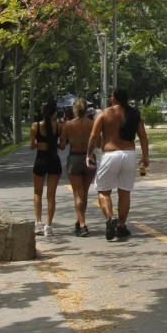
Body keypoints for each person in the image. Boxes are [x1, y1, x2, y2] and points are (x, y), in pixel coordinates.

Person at [86, 88, 150, 240]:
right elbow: (143, 137)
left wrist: (89, 154)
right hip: (129, 154)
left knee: (103, 191)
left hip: (110, 154)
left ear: (113, 98)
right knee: (124, 192)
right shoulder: (134, 114)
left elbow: (94, 136)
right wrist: (145, 156)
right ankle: (121, 226)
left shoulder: (103, 113)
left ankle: (109, 219)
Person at [62, 97, 97, 236]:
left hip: (75, 158)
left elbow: (63, 145)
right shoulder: (92, 124)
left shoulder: (68, 125)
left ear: (74, 110)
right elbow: (98, 142)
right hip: (89, 158)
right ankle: (80, 220)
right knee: (84, 193)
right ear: (87, 109)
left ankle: (82, 224)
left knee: (77, 193)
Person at [30, 100, 62, 237]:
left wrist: (39, 144)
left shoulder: (35, 126)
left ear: (43, 112)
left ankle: (38, 223)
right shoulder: (59, 127)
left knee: (38, 193)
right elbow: (62, 145)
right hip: (54, 160)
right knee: (51, 195)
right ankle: (48, 226)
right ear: (55, 113)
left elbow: (32, 146)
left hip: (40, 160)